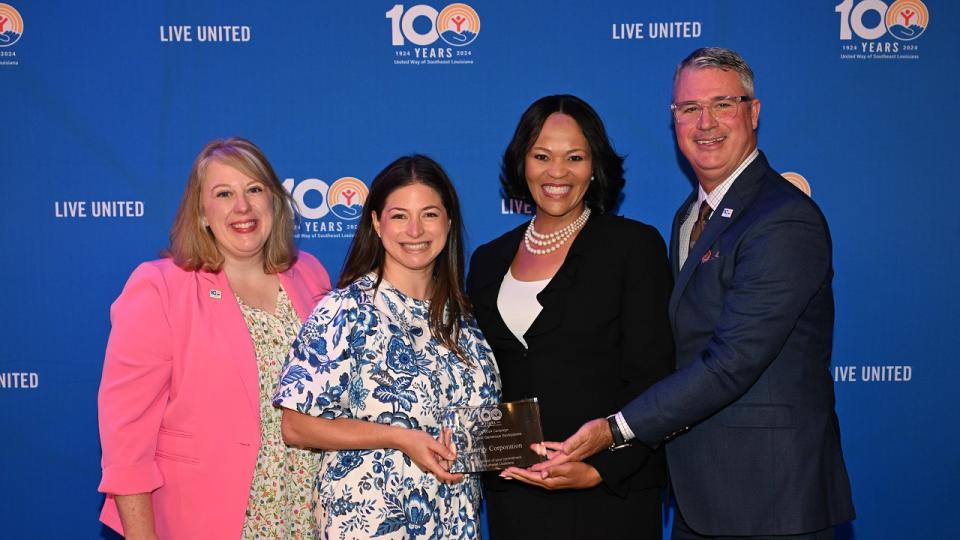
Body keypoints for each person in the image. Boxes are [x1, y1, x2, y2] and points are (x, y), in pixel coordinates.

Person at [538, 48, 856, 539]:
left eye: (722, 104)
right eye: (688, 109)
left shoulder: (783, 219)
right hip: (698, 495)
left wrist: (615, 427)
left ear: (753, 112)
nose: (705, 123)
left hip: (771, 499)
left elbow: (732, 361)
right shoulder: (689, 216)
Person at [97, 137, 332, 539]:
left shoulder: (309, 274)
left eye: (254, 190)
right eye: (224, 194)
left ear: (275, 202)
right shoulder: (159, 288)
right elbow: (126, 442)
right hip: (207, 519)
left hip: (308, 513)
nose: (242, 207)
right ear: (202, 212)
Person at [466, 95, 674, 538]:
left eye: (574, 157)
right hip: (515, 497)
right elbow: (481, 379)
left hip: (608, 495)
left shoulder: (632, 248)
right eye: (541, 156)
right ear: (522, 164)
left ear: (595, 165)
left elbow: (655, 378)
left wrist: (600, 469)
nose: (556, 172)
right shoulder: (487, 260)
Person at [274, 154, 501, 539]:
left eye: (429, 214)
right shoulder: (347, 309)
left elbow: (477, 428)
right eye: (399, 216)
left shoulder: (464, 320)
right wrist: (398, 436)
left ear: (448, 221)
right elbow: (296, 425)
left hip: (455, 522)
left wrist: (522, 452)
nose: (415, 230)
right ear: (377, 223)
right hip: (370, 523)